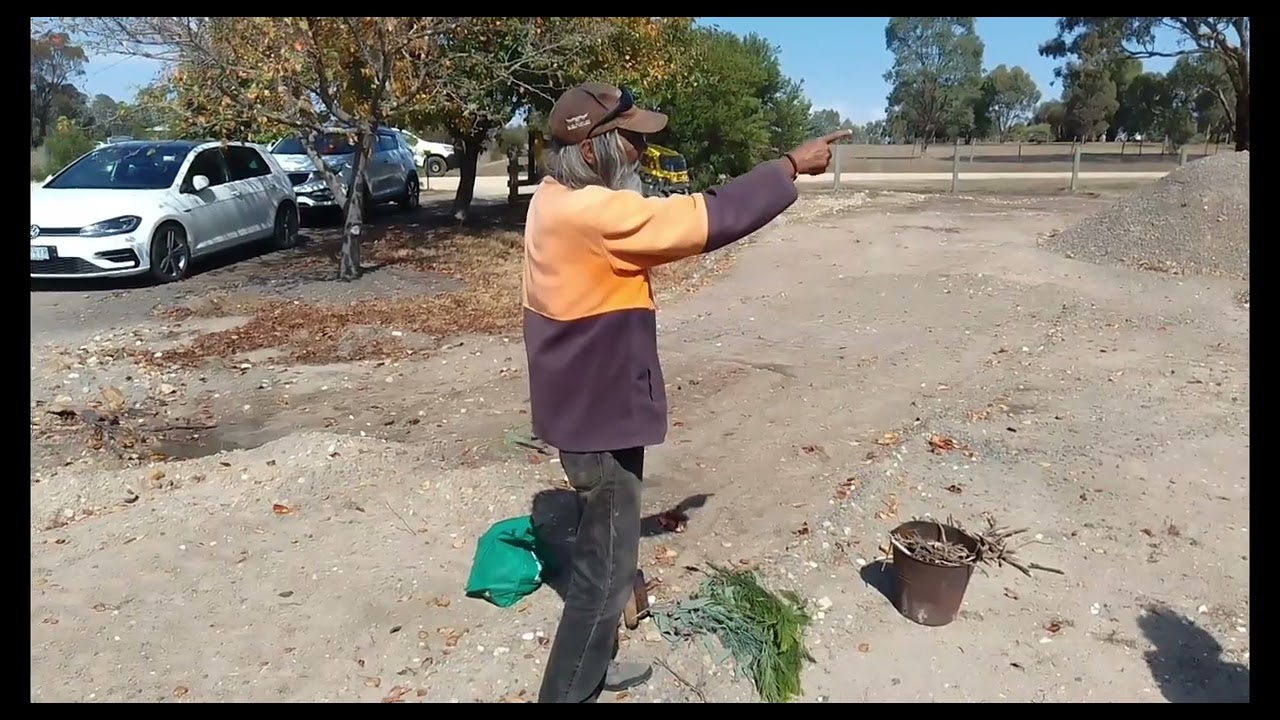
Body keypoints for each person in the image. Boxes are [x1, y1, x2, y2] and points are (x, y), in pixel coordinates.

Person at [523, 81, 850, 703]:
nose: (644, 150)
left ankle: (589, 668)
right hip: (602, 420)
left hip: (577, 411)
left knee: (607, 552)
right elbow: (709, 215)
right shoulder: (598, 215)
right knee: (603, 575)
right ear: (593, 149)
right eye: (632, 139)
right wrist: (788, 167)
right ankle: (568, 693)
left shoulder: (552, 200)